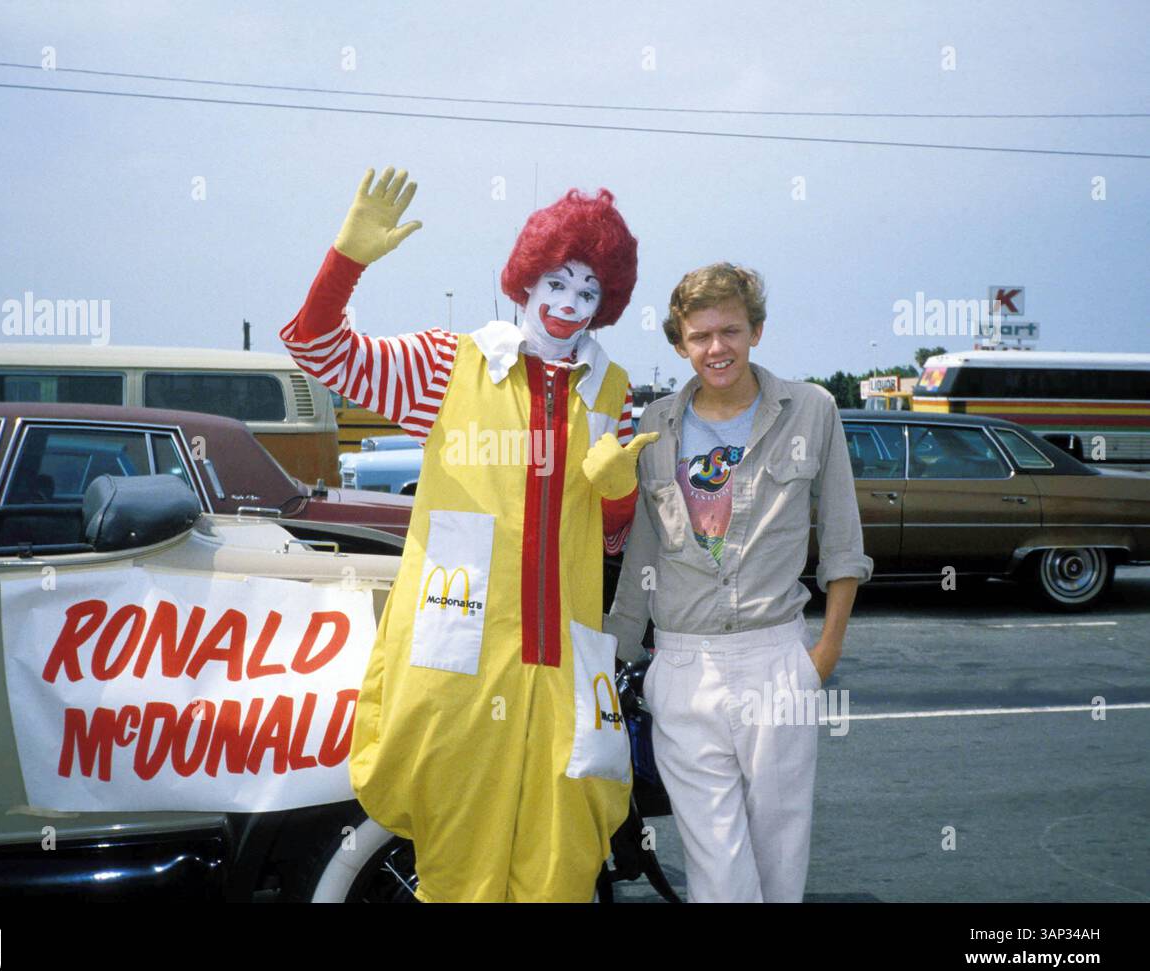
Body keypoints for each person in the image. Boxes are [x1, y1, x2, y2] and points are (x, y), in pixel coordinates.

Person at [278, 166, 656, 902]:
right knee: (460, 858)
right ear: (526, 281)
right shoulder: (448, 365)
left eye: (590, 292)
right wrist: (345, 262)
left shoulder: (611, 391)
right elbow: (320, 351)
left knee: (564, 856)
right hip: (463, 659)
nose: (570, 304)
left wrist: (617, 496)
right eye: (559, 282)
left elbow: (609, 539)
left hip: (566, 667)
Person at [605, 262, 872, 902]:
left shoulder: (811, 410)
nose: (715, 348)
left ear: (756, 331)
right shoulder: (656, 425)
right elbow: (644, 552)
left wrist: (823, 655)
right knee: (718, 869)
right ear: (678, 343)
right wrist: (610, 657)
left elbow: (842, 542)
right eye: (700, 337)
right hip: (681, 666)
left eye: (729, 331)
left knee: (779, 862)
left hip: (776, 661)